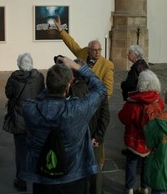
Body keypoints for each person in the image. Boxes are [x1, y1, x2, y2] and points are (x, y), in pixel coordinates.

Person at [20, 56, 107, 194]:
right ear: (68, 86)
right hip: (73, 177)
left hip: (42, 178)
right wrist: (76, 66)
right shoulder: (77, 110)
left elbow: (40, 98)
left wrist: (53, 82)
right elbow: (101, 88)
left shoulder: (30, 109)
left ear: (47, 85)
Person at [119, 69, 165, 194]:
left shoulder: (133, 102)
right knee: (146, 163)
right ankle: (144, 187)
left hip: (134, 139)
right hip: (149, 140)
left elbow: (123, 118)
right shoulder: (158, 100)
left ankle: (129, 188)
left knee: (131, 163)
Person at [5, 53, 45, 191]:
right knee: (36, 151)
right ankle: (37, 179)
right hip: (36, 122)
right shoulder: (39, 77)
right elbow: (42, 94)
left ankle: (21, 181)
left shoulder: (14, 78)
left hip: (20, 121)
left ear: (19, 64)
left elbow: (8, 94)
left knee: (21, 153)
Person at [70, 59, 110, 194]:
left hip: (80, 140)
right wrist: (98, 137)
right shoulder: (100, 89)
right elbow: (105, 116)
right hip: (95, 139)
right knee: (95, 171)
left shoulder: (73, 91)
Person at [54, 15, 114, 98]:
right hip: (77, 94)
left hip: (92, 99)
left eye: (99, 50)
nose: (97, 52)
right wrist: (60, 29)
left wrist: (97, 103)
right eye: (94, 50)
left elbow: (108, 91)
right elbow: (71, 43)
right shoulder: (83, 53)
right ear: (89, 50)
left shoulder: (107, 65)